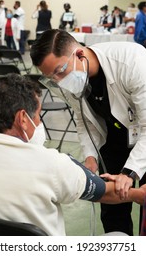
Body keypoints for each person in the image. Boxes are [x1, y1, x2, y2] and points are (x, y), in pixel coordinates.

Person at [0, 73, 146, 236]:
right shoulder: (52, 164)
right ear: (23, 119)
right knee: (118, 237)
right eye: (38, 115)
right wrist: (137, 194)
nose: (39, 122)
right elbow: (105, 192)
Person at [30, 29, 146, 236]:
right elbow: (84, 120)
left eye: (59, 71)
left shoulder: (133, 63)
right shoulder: (70, 78)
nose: (57, 81)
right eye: (50, 77)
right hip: (114, 137)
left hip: (143, 136)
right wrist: (91, 157)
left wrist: (129, 172)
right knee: (113, 204)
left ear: (80, 54)